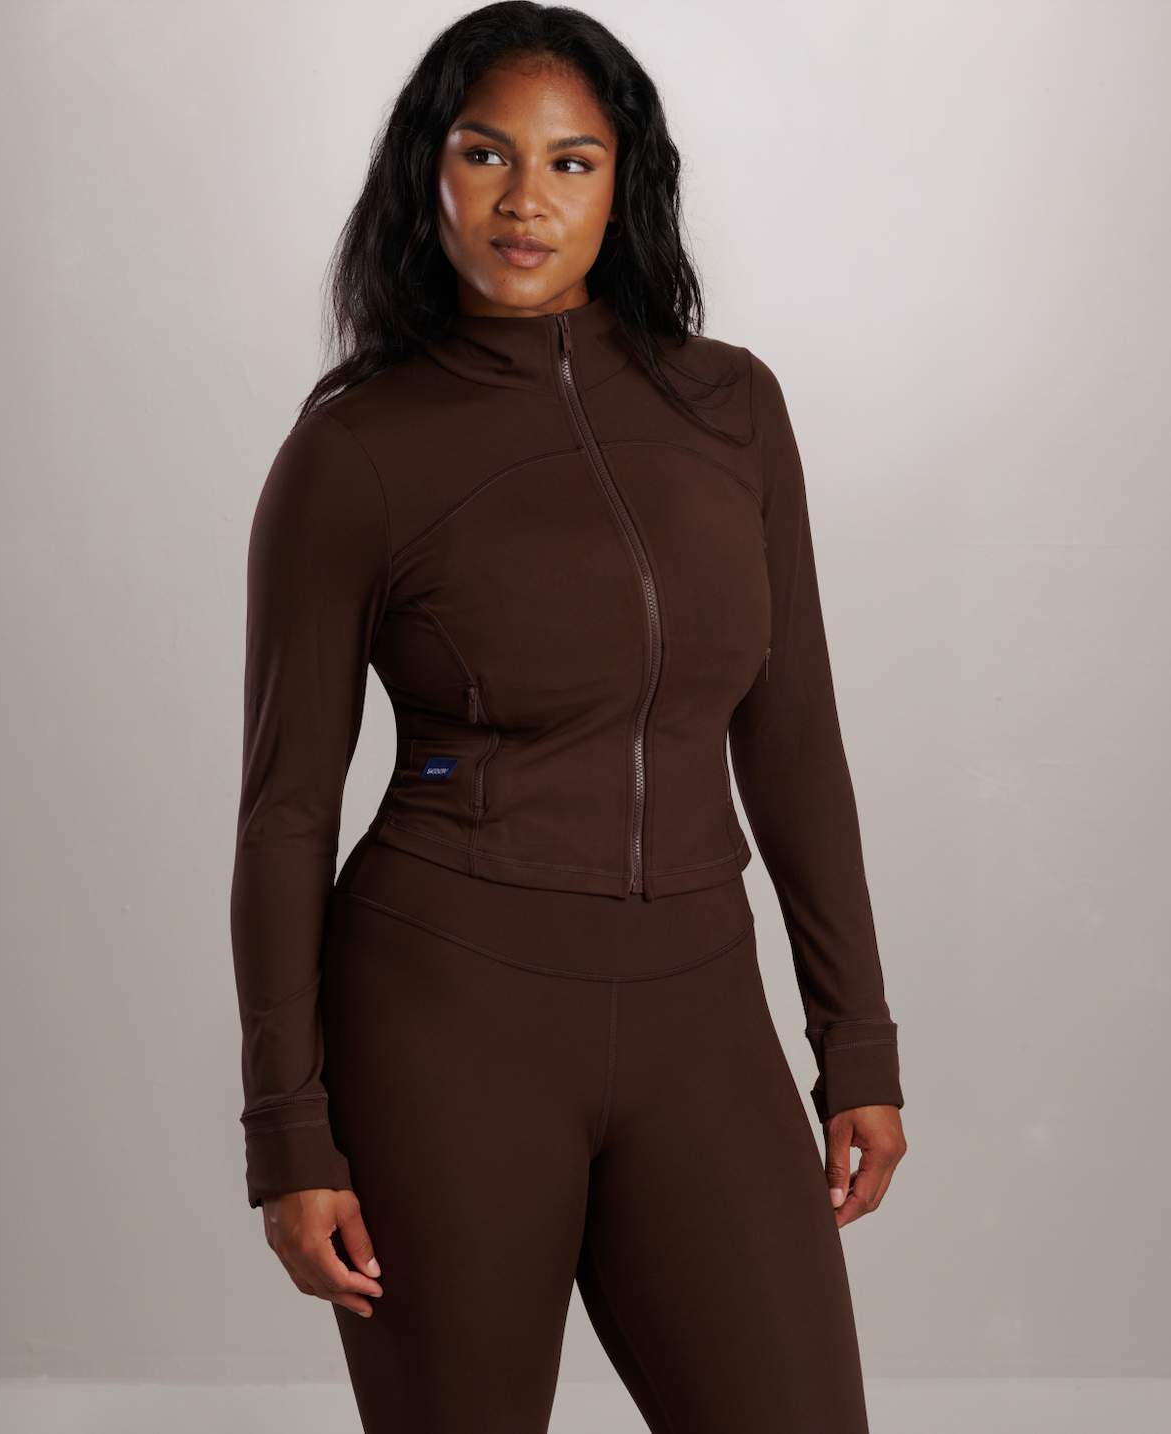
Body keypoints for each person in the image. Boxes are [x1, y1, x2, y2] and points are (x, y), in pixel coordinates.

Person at [229, 3, 906, 1430]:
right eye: (485, 154)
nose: (524, 200)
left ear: (624, 183)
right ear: (427, 171)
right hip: (447, 1021)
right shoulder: (355, 449)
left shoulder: (730, 408)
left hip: (700, 1013)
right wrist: (288, 1128)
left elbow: (793, 737)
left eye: (570, 161)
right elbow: (286, 808)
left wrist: (855, 1039)